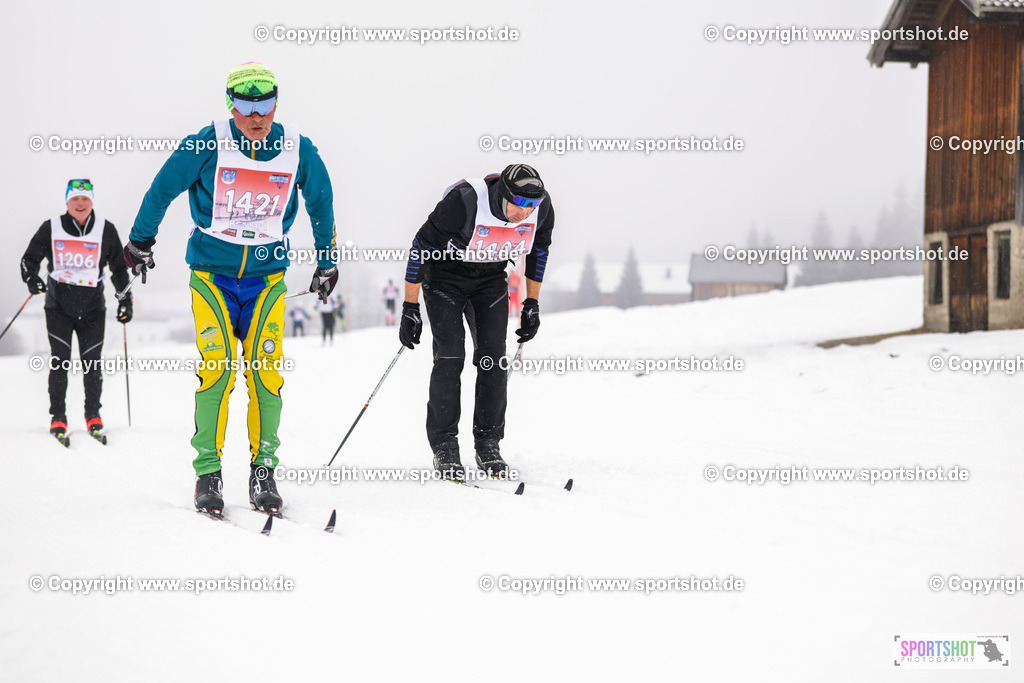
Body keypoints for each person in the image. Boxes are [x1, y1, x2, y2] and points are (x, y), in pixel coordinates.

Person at [122, 62, 339, 514]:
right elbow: (163, 187)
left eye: (264, 104)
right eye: (244, 104)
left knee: (266, 373)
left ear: (276, 104)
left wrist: (327, 261)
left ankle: (264, 470)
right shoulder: (207, 141)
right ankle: (208, 473)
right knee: (217, 369)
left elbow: (321, 201)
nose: (255, 115)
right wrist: (141, 240)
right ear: (230, 105)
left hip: (266, 281)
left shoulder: (298, 148)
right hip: (211, 277)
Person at [399, 164, 553, 480]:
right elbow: (420, 247)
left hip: (491, 279)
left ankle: (488, 445)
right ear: (503, 196)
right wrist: (409, 307)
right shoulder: (464, 201)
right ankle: (445, 447)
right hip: (445, 278)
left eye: (532, 206)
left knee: (493, 359)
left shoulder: (541, 207)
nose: (525, 212)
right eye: (519, 204)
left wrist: (532, 303)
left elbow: (538, 250)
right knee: (450, 356)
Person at [20, 179, 132, 441]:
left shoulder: (106, 229)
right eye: (75, 199)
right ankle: (58, 416)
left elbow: (118, 268)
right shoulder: (51, 228)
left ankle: (93, 415)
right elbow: (29, 259)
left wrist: (125, 300)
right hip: (58, 307)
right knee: (60, 361)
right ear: (67, 202)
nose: (80, 204)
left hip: (93, 308)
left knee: (92, 364)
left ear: (92, 201)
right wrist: (32, 278)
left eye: (85, 199)